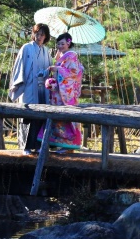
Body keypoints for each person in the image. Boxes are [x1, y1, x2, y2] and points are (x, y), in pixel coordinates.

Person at [9, 23, 52, 154]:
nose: (39, 37)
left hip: (42, 88)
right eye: (37, 34)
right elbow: (19, 66)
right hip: (29, 86)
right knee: (27, 115)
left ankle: (38, 145)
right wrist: (16, 84)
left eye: (42, 35)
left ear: (46, 37)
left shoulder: (47, 51)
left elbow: (49, 70)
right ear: (34, 34)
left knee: (41, 115)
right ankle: (25, 146)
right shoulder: (26, 48)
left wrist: (47, 72)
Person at [39, 32, 84, 151]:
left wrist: (58, 68)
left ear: (68, 43)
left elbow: (74, 73)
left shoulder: (71, 56)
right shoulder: (61, 56)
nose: (60, 46)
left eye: (62, 43)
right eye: (58, 43)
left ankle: (69, 146)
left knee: (66, 118)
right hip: (58, 93)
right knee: (57, 118)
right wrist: (52, 81)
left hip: (66, 94)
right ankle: (57, 144)